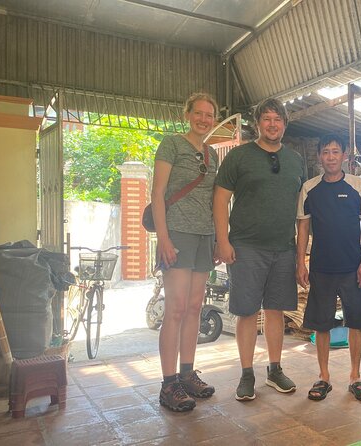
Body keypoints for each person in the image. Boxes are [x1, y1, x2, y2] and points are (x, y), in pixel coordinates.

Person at [213, 98, 306, 401]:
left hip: (283, 247)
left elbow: (301, 208)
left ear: (284, 124)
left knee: (276, 309)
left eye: (277, 119)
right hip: (246, 246)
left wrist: (300, 251)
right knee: (247, 310)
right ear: (257, 124)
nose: (272, 124)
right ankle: (246, 373)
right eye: (266, 119)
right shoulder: (239, 157)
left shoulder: (295, 160)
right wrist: (223, 240)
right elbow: (219, 199)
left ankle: (275, 369)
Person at [296, 134, 361, 402]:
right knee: (322, 324)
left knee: (357, 322)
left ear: (344, 156)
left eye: (335, 152)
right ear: (319, 157)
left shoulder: (357, 185)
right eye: (325, 152)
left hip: (353, 267)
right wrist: (301, 262)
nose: (330, 157)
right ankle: (323, 376)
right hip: (321, 267)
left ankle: (355, 376)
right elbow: (303, 227)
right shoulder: (309, 188)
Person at [151, 92, 219, 412]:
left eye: (209, 115)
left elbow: (214, 201)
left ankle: (188, 374)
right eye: (199, 113)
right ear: (187, 114)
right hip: (176, 233)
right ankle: (168, 385)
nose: (204, 119)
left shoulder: (212, 154)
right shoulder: (172, 144)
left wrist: (219, 237)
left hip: (204, 235)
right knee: (175, 309)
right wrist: (163, 238)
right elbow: (158, 192)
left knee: (194, 307)